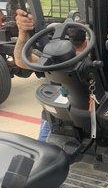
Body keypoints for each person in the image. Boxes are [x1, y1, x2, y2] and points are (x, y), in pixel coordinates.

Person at [14, 9, 88, 141]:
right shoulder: (55, 59)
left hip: (88, 117)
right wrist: (23, 33)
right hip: (58, 120)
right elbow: (21, 60)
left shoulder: (93, 57)